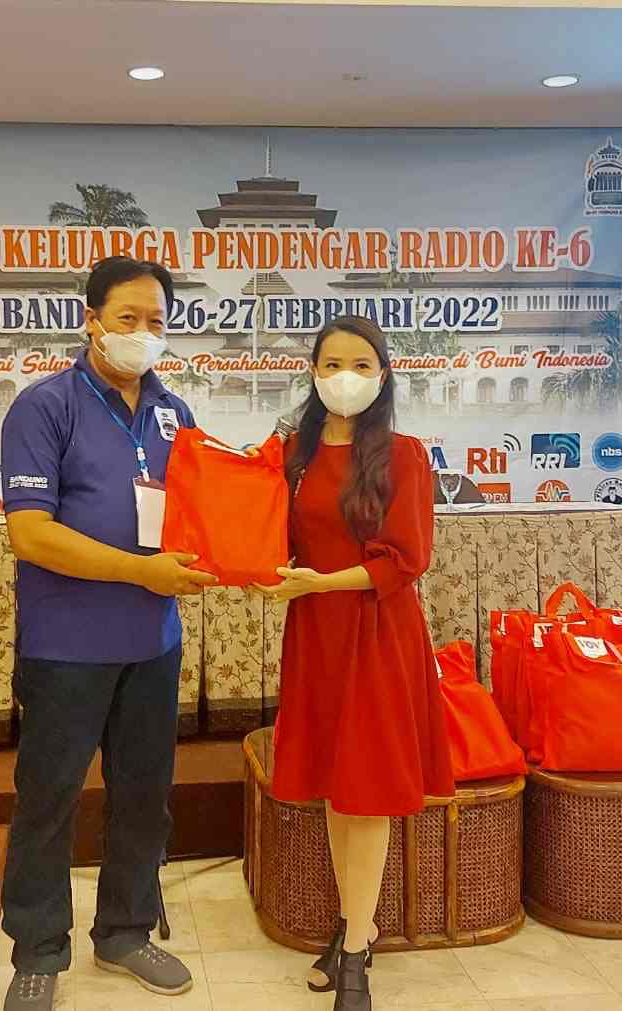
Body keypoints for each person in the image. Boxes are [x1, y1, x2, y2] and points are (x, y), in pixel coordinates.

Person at [0, 256, 217, 1011]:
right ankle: (38, 950)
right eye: (127, 318)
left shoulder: (174, 412)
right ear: (90, 319)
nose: (142, 333)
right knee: (48, 798)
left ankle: (125, 930)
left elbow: (199, 514)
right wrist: (138, 571)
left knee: (144, 796)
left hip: (152, 641)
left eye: (156, 321)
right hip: (66, 644)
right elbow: (30, 533)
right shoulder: (44, 407)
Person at [254, 315, 454, 1011]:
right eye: (332, 363)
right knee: (335, 789)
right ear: (313, 372)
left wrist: (319, 582)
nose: (345, 377)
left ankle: (357, 951)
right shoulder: (292, 453)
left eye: (361, 364)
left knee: (365, 792)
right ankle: (351, 926)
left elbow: (405, 560)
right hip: (316, 636)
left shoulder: (403, 455)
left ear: (383, 374)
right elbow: (261, 530)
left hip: (376, 634)